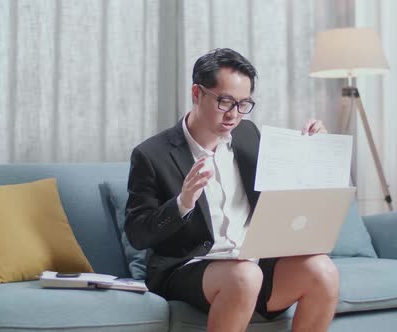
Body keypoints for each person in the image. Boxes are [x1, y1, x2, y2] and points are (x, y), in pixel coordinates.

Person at [125, 48, 339, 332]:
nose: (234, 115)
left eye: (243, 104)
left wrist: (311, 149)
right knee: (245, 276)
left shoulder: (249, 136)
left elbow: (284, 189)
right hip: (191, 269)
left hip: (254, 264)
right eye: (225, 102)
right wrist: (183, 202)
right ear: (197, 94)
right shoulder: (152, 154)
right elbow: (138, 233)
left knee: (323, 271)